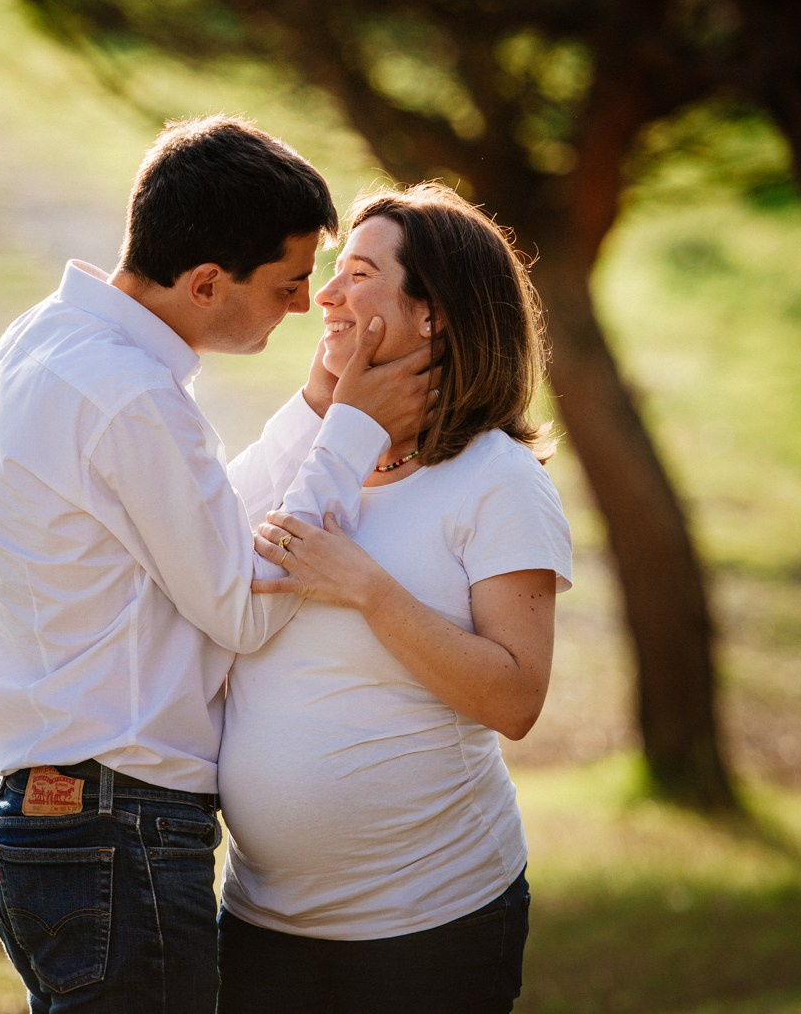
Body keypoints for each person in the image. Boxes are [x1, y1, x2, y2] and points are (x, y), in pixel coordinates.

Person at [0, 115, 433, 1013]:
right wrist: (354, 433)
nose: (307, 307)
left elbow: (201, 525)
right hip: (117, 827)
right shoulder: (134, 396)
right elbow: (246, 605)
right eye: (291, 283)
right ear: (209, 282)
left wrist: (315, 408)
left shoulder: (46, 339)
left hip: (60, 820)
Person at [218, 182, 573, 1014]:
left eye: (360, 274)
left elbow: (517, 696)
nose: (326, 296)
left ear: (433, 314)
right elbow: (208, 574)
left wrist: (370, 592)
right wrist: (320, 407)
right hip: (261, 925)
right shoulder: (310, 454)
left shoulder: (498, 479)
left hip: (431, 928)